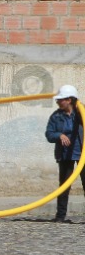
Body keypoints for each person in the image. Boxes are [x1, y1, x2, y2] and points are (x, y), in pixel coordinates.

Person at [45, 84, 84, 223]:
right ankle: (60, 216)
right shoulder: (56, 116)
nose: (57, 102)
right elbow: (49, 134)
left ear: (69, 100)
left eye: (60, 99)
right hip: (65, 154)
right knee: (64, 185)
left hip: (82, 154)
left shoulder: (82, 112)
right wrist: (59, 135)